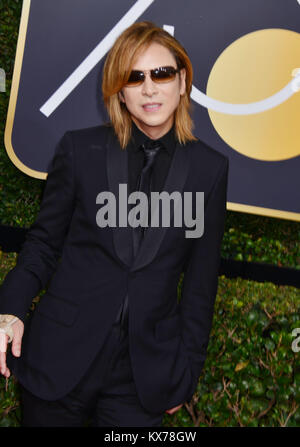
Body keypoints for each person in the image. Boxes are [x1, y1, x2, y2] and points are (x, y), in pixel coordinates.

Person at [0, 21, 229, 426]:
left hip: (142, 380)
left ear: (182, 82)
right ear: (119, 91)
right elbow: (43, 244)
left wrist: (187, 372)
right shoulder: (80, 150)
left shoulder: (208, 171)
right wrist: (11, 309)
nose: (149, 88)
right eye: (133, 77)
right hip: (59, 358)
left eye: (161, 74)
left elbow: (200, 282)